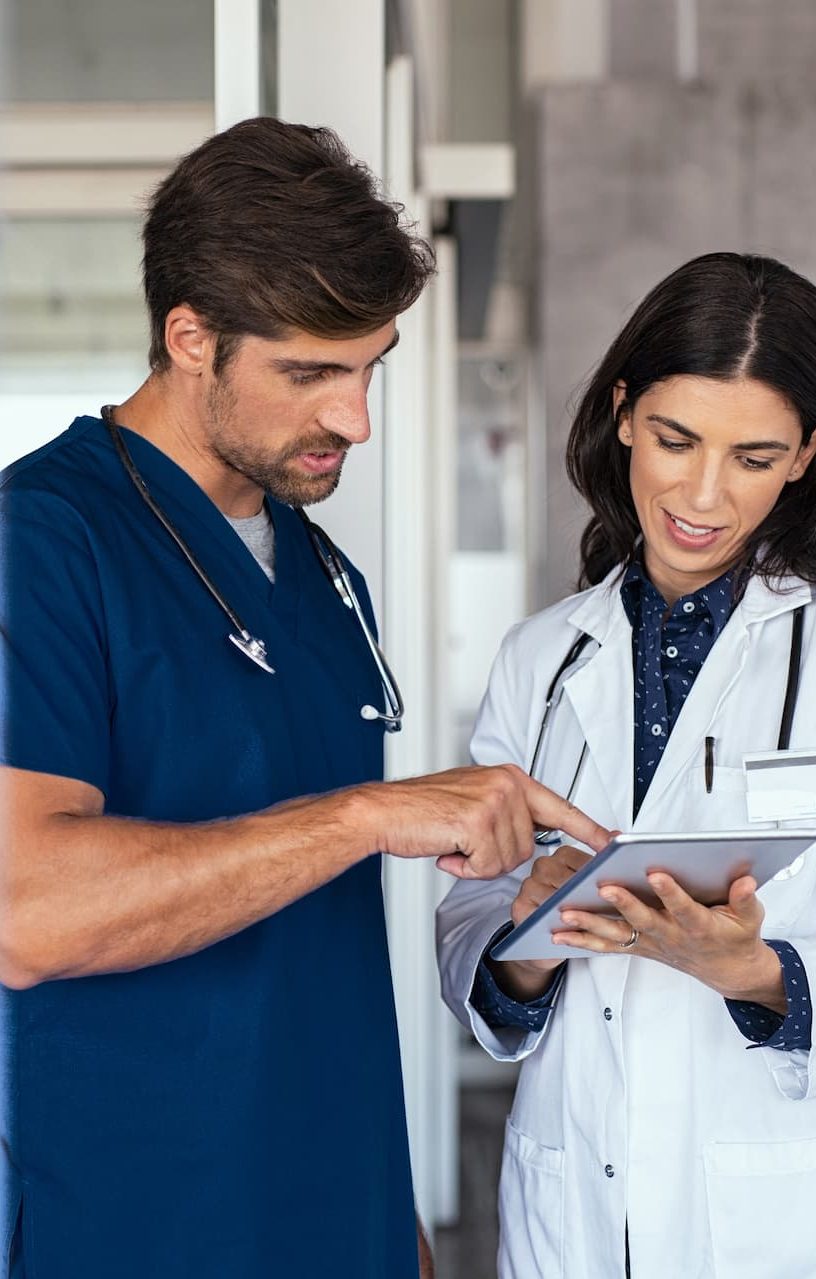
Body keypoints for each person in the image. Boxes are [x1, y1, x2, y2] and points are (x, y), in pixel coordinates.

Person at [0, 118, 609, 1279]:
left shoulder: (328, 582)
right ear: (191, 338)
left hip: (339, 1215)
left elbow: (320, 953)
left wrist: (392, 1218)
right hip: (140, 1228)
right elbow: (27, 911)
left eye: (370, 365)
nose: (355, 417)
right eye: (311, 373)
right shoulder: (43, 543)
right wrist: (365, 815)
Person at [436, 252, 816, 1279]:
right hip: (578, 1212)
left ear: (806, 454)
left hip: (796, 1221)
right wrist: (529, 938)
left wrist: (751, 969)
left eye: (753, 455)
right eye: (675, 439)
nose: (701, 493)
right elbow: (469, 926)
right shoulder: (541, 657)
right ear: (622, 414)